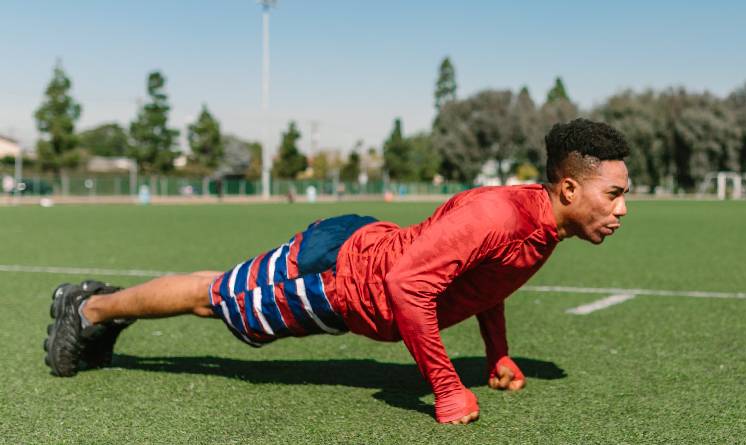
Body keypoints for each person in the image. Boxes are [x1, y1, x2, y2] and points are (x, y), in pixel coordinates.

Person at [44, 118, 630, 425]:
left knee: (219, 295)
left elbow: (484, 282)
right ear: (570, 187)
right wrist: (447, 388)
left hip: (354, 256)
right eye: (615, 194)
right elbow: (407, 285)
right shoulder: (499, 214)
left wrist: (497, 353)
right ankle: (88, 308)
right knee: (215, 297)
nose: (622, 209)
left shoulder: (544, 225)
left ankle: (100, 310)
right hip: (336, 272)